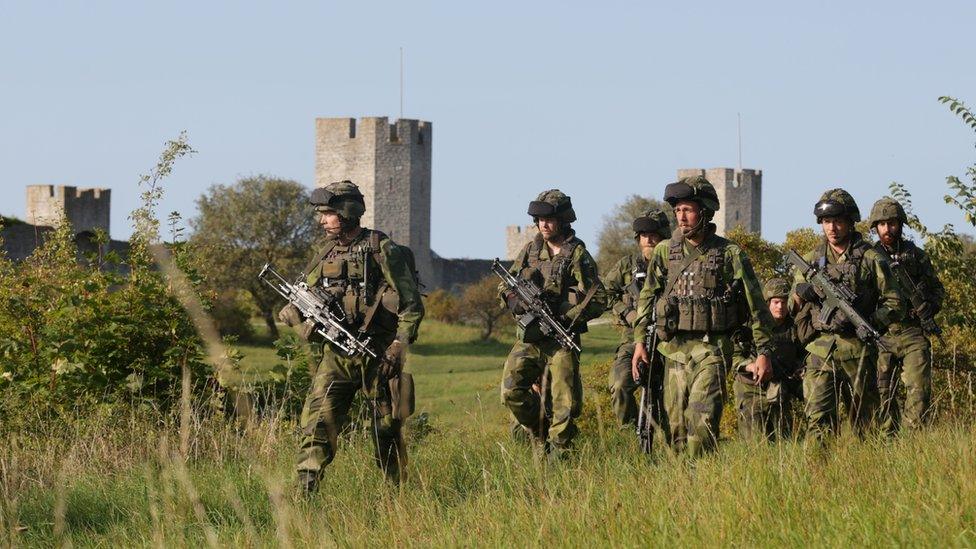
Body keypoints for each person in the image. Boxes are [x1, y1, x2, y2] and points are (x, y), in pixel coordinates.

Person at [279, 180, 424, 493]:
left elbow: (412, 305)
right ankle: (306, 494)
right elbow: (303, 295)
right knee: (317, 425)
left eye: (328, 214)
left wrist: (398, 346)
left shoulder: (381, 248)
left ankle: (395, 496)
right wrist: (295, 314)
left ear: (346, 213)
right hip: (337, 357)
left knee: (387, 431)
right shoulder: (325, 253)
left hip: (380, 356)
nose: (322, 220)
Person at [632, 176, 774, 457]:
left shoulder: (729, 253)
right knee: (676, 429)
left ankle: (701, 482)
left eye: (688, 210)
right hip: (673, 352)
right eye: (677, 211)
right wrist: (639, 343)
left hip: (713, 351)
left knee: (701, 423)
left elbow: (756, 305)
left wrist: (763, 352)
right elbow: (647, 298)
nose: (680, 217)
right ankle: (683, 490)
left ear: (705, 212)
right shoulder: (664, 251)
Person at [499, 189, 606, 460]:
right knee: (511, 390)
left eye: (549, 219)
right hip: (530, 338)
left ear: (563, 220)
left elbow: (599, 297)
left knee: (565, 405)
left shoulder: (577, 254)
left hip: (561, 339)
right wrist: (513, 301)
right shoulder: (531, 250)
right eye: (539, 219)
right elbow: (506, 284)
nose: (543, 224)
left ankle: (561, 458)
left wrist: (568, 315)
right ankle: (539, 428)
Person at [792, 189, 901, 443]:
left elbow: (895, 302)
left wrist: (872, 322)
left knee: (867, 424)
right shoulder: (811, 260)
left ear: (851, 221)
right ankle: (818, 478)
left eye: (838, 221)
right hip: (821, 350)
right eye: (827, 222)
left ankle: (865, 476)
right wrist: (802, 292)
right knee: (818, 422)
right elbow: (791, 306)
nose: (832, 227)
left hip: (858, 350)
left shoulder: (871, 258)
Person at [869, 197, 944, 433]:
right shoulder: (869, 257)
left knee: (919, 390)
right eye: (882, 224)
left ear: (900, 224)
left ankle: (913, 439)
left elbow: (937, 289)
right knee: (882, 393)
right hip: (882, 333)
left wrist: (927, 308)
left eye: (892, 223)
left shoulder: (917, 256)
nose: (887, 229)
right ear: (875, 227)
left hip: (913, 331)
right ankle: (888, 443)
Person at [602, 208, 671, 428]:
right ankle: (631, 432)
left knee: (671, 396)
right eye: (643, 235)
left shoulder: (676, 265)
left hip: (669, 337)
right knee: (620, 384)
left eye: (653, 234)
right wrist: (630, 314)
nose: (649, 239)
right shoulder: (627, 266)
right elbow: (605, 292)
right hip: (632, 338)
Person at [732, 278, 814, 441]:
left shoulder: (793, 326)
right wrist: (751, 366)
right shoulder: (750, 326)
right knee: (755, 442)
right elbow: (733, 356)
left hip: (780, 389)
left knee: (784, 439)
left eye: (784, 302)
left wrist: (800, 367)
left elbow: (803, 352)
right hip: (751, 390)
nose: (780, 307)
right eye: (776, 302)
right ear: (767, 303)